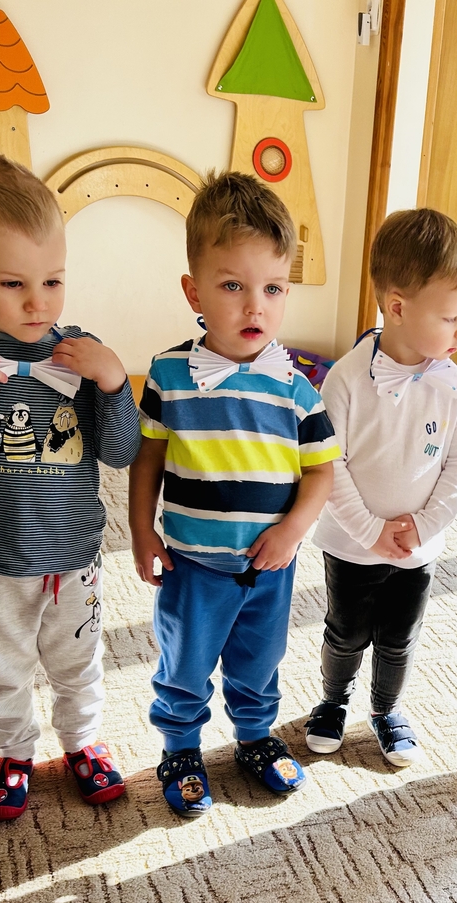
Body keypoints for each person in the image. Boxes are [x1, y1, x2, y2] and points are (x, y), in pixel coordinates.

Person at [129, 171, 338, 815]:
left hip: (269, 565)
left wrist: (292, 532)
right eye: (232, 286)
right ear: (193, 290)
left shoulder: (298, 387)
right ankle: (180, 745)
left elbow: (321, 472)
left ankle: (254, 735)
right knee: (185, 662)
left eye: (272, 288)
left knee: (260, 659)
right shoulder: (169, 374)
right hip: (193, 562)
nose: (256, 308)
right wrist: (141, 531)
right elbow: (148, 457)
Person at [305, 209, 457, 766]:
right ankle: (333, 700)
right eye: (451, 317)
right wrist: (369, 530)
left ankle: (386, 708)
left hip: (416, 547)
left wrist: (424, 527)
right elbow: (328, 463)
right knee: (345, 631)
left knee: (399, 637)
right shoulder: (346, 379)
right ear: (398, 307)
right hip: (352, 541)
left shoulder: (455, 387)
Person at [0, 156, 139, 821]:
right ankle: (14, 751)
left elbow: (121, 452)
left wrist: (114, 382)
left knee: (78, 661)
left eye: (52, 280)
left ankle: (82, 741)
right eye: (13, 283)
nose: (38, 302)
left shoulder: (80, 353)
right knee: (1, 667)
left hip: (74, 555)